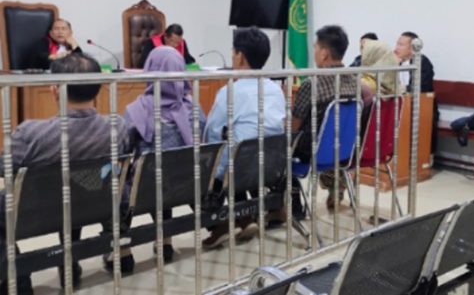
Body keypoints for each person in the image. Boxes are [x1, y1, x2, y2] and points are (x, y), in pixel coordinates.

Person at [0, 53, 131, 293]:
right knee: (80, 184)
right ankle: (70, 260)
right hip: (98, 204)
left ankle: (17, 281)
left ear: (54, 89)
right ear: (99, 89)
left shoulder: (31, 134)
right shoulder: (119, 127)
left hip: (39, 212)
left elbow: (5, 167)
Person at [201, 27, 285, 248]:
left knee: (218, 159)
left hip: (239, 170)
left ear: (240, 56)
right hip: (270, 168)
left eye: (233, 51)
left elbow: (211, 134)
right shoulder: (276, 89)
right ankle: (245, 217)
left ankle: (222, 223)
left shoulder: (229, 92)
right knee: (240, 148)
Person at [122, 46, 205, 265]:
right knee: (167, 170)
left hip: (145, 190)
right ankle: (165, 241)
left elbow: (121, 149)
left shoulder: (136, 111)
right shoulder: (195, 110)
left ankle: (122, 251)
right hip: (186, 186)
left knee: (122, 177)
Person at [292, 25, 358, 212]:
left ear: (324, 54)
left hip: (312, 150)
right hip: (345, 149)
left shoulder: (312, 84)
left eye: (315, 47)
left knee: (278, 144)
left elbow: (294, 126)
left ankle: (291, 206)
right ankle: (336, 182)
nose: (314, 51)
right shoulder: (355, 82)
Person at [394, 31, 439, 151]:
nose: (396, 47)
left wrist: (405, 88)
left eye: (401, 44)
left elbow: (422, 86)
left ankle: (423, 156)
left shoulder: (422, 62)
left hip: (421, 107)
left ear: (412, 48)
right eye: (397, 43)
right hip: (400, 106)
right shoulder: (395, 62)